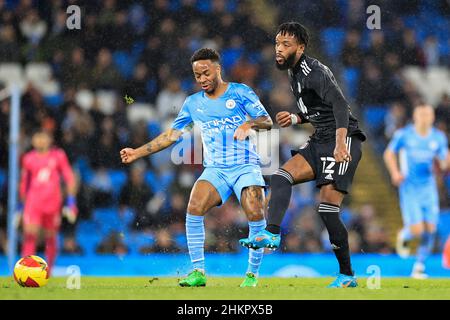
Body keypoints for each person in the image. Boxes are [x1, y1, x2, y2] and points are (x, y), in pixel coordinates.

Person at [120, 48, 273, 287]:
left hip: (245, 165)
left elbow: (267, 121)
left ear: (218, 69)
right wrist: (137, 152)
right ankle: (198, 272)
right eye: (197, 75)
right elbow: (171, 136)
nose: (201, 79)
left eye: (205, 73)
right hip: (215, 169)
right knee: (193, 207)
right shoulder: (193, 103)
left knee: (255, 210)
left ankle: (252, 275)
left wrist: (248, 124)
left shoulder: (241, 92)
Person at [240, 22, 366, 288]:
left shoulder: (313, 71)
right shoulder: (293, 72)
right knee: (281, 176)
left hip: (341, 140)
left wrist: (341, 144)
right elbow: (319, 109)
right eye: (277, 43)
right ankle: (272, 233)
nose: (279, 49)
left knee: (328, 209)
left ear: (301, 47)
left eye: (286, 44)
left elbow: (340, 105)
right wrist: (296, 117)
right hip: (320, 139)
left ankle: (347, 275)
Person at [384, 104, 449, 279]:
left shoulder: (438, 137)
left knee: (431, 228)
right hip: (410, 187)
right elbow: (389, 153)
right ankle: (404, 234)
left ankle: (419, 266)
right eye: (421, 114)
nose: (425, 117)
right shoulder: (404, 135)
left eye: (428, 114)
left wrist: (443, 164)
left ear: (433, 117)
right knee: (418, 229)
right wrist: (395, 172)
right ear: (415, 116)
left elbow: (444, 160)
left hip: (428, 187)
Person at [19, 130, 77, 275]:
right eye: (37, 137)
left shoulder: (58, 156)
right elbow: (24, 182)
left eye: (43, 137)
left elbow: (69, 177)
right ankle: (26, 271)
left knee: (50, 237)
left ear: (49, 140)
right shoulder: (28, 158)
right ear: (33, 141)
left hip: (52, 203)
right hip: (33, 203)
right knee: (30, 235)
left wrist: (71, 202)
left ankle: (48, 271)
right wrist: (20, 206)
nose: (40, 140)